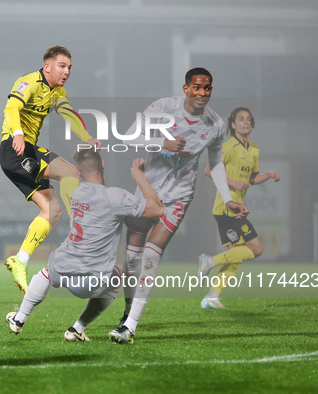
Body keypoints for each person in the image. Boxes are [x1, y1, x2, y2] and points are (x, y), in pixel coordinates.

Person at [109, 68, 249, 344]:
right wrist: (163, 143)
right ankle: (127, 311)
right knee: (132, 258)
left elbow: (216, 163)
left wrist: (228, 197)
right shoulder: (163, 108)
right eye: (197, 88)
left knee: (151, 254)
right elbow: (127, 138)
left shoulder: (216, 124)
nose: (202, 93)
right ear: (186, 89)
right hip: (147, 191)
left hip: (179, 196)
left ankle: (130, 326)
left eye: (207, 88)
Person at [6, 150, 163, 341]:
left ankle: (19, 319)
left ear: (78, 173)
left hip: (63, 270)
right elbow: (157, 210)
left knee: (47, 269)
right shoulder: (116, 197)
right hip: (91, 282)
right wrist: (140, 177)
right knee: (117, 277)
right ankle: (77, 328)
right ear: (102, 164)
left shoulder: (77, 192)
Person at [0, 45, 101, 294]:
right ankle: (82, 235)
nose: (66, 71)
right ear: (47, 67)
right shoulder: (28, 82)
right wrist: (19, 134)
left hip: (28, 152)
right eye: (62, 66)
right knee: (70, 173)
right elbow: (12, 108)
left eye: (69, 68)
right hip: (15, 149)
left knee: (52, 211)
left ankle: (20, 261)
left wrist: (88, 138)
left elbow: (69, 114)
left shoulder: (57, 92)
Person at [198, 106, 280, 309]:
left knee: (236, 255)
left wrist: (267, 175)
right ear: (233, 125)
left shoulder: (254, 149)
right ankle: (209, 261)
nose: (247, 122)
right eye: (241, 119)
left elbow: (252, 178)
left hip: (236, 208)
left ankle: (212, 296)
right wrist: (232, 184)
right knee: (256, 248)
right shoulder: (228, 147)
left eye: (249, 119)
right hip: (226, 208)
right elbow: (209, 170)